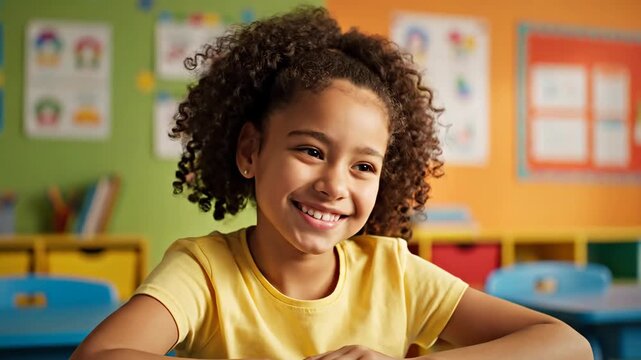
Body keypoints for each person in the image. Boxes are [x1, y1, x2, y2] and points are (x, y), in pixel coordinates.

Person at [72, 6, 591, 360]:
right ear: (251, 151)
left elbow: (566, 344)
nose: (333, 184)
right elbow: (98, 355)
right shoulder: (204, 271)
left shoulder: (394, 273)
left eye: (363, 166)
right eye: (312, 151)